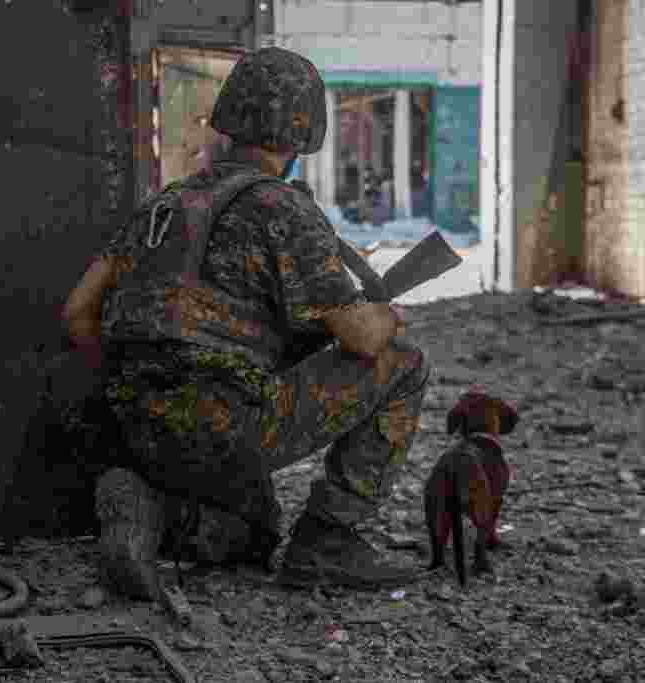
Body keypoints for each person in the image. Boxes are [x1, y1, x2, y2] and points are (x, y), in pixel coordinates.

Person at [61, 47, 431, 598]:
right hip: (226, 425)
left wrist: (146, 389)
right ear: (303, 135)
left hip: (136, 429)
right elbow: (360, 338)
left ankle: (150, 507)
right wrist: (385, 316)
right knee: (404, 361)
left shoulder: (163, 205)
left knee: (253, 537)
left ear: (230, 120)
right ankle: (330, 540)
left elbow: (76, 315)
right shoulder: (283, 207)